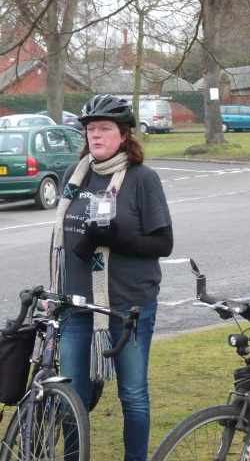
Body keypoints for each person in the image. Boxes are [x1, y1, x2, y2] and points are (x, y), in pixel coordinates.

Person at [50, 94, 173, 461]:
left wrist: (117, 239)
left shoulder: (142, 179)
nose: (96, 136)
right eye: (90, 129)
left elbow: (163, 243)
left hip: (127, 306)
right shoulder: (76, 177)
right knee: (72, 396)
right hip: (77, 305)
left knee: (133, 394)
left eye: (105, 129)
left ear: (124, 135)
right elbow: (65, 241)